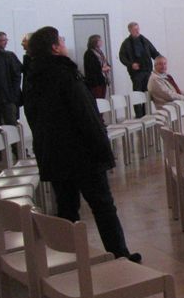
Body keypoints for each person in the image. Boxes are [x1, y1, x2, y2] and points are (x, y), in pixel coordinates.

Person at [23, 26, 140, 262]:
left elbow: (32, 116)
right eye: (62, 40)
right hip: (82, 154)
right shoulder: (65, 73)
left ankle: (69, 258)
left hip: (54, 154)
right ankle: (119, 254)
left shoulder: (33, 77)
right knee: (103, 206)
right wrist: (103, 151)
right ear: (55, 47)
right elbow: (87, 116)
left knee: (67, 210)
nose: (65, 44)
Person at [118, 22, 159, 117]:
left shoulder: (144, 40)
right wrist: (131, 64)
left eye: (138, 29)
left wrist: (160, 59)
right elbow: (122, 57)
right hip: (136, 73)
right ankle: (139, 114)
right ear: (130, 30)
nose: (137, 31)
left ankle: (146, 113)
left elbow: (153, 52)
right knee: (137, 93)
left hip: (147, 70)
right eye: (135, 29)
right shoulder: (126, 43)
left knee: (147, 92)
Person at [83, 34, 111, 99]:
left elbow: (106, 63)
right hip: (95, 82)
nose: (101, 42)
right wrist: (103, 69)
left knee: (102, 99)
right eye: (100, 40)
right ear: (94, 42)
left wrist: (108, 67)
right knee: (97, 99)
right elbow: (93, 68)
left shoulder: (100, 52)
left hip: (102, 80)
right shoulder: (89, 53)